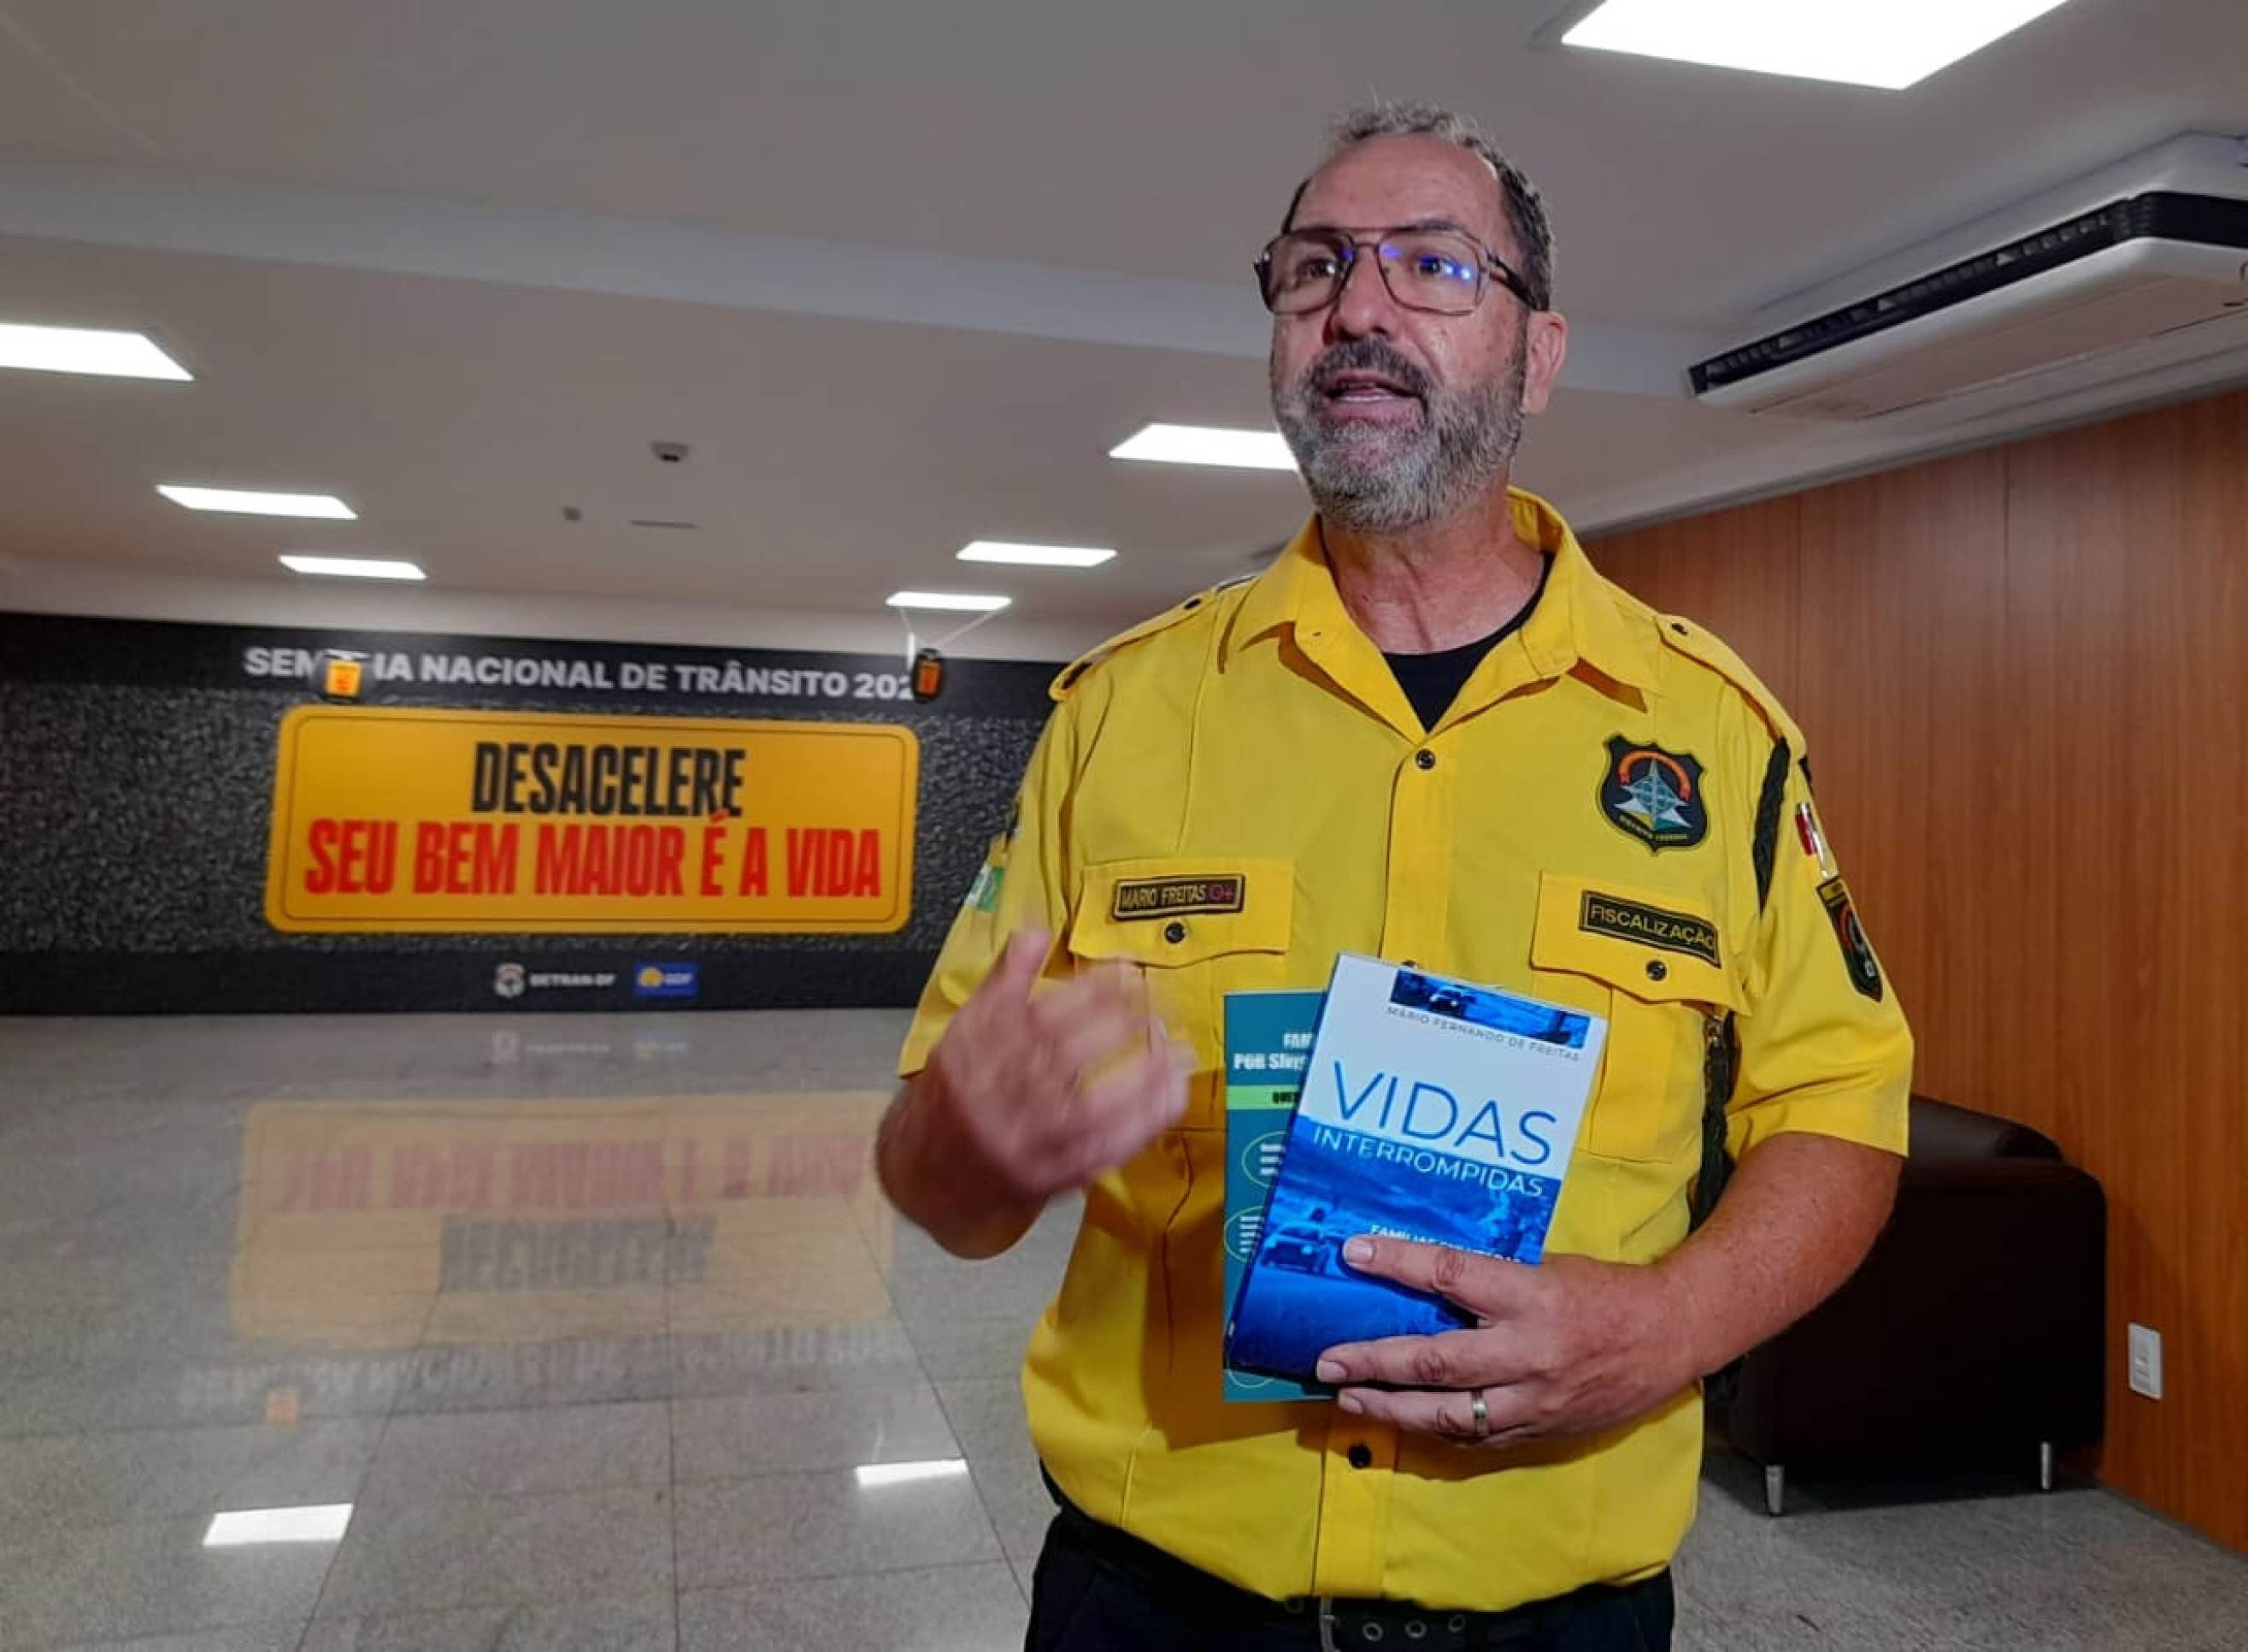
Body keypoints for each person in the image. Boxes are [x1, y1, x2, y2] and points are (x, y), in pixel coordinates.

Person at [877, 101, 1912, 1652]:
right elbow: (931, 1181)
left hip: (1556, 1611)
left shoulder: (1712, 731)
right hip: (1154, 1603)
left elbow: (1837, 1108)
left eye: (1432, 265)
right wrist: (969, 1144)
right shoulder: (1120, 717)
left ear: (1538, 354)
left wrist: (1670, 1324)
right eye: (1312, 270)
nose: (1356, 307)